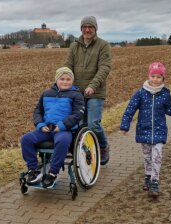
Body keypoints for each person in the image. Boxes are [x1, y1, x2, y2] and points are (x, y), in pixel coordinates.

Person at [120, 62, 171, 198]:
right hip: (144, 130)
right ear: (149, 76)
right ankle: (148, 176)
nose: (155, 79)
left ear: (163, 79)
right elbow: (130, 109)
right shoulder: (140, 93)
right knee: (147, 156)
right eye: (153, 76)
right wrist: (125, 126)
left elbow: (168, 109)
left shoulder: (165, 94)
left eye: (159, 77)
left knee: (157, 155)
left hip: (159, 130)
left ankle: (154, 182)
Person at [21, 67, 85, 188]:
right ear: (56, 80)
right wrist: (40, 125)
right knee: (26, 139)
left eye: (68, 79)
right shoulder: (46, 93)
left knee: (63, 141)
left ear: (72, 80)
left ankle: (52, 173)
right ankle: (33, 170)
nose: (65, 82)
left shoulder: (76, 95)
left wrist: (61, 126)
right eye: (62, 79)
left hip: (64, 130)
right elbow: (37, 111)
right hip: (46, 129)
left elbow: (78, 114)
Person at [64, 16, 111, 165]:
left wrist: (93, 85)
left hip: (95, 92)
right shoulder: (74, 46)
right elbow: (68, 66)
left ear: (95, 28)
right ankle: (86, 152)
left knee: (92, 124)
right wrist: (63, 82)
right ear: (81, 29)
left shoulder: (103, 45)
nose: (87, 29)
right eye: (85, 26)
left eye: (91, 26)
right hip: (77, 92)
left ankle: (103, 147)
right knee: (78, 125)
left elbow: (104, 68)